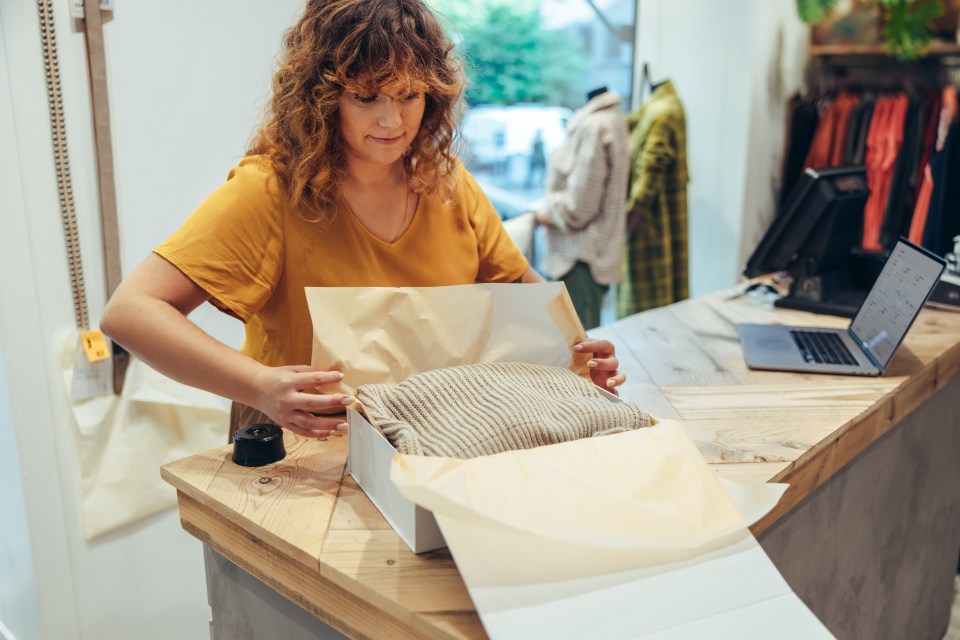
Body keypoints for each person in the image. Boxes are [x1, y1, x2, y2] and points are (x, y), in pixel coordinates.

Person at [100, 0, 626, 441]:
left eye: (409, 95)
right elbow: (131, 312)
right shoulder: (271, 192)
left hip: (437, 439)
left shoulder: (448, 183)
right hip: (304, 453)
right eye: (366, 96)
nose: (392, 121)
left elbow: (526, 304)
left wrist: (577, 360)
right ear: (322, 97)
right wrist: (260, 385)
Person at [533, 86, 631, 330]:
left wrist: (548, 213)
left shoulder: (594, 126)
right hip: (588, 255)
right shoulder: (612, 121)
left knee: (576, 347)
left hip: (579, 258)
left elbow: (579, 207)